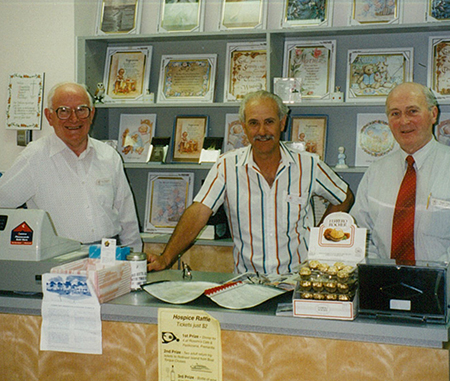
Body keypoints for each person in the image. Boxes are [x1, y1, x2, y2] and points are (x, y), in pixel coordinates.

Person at [147, 90, 354, 274]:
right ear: (244, 127)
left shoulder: (309, 164)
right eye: (254, 123)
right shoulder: (227, 166)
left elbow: (344, 196)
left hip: (299, 280)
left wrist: (320, 240)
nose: (262, 131)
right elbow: (199, 212)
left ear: (282, 123)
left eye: (269, 122)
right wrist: (166, 258)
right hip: (248, 284)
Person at [0, 82, 142, 251]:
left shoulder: (109, 156)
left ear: (92, 114)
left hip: (109, 255)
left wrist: (134, 258)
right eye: (64, 111)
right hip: (58, 261)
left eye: (81, 109)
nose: (74, 118)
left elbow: (127, 217)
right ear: (49, 116)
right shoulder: (34, 157)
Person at [351, 82, 450, 261]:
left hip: (444, 284)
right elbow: (360, 235)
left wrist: (436, 280)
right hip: (383, 283)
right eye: (395, 113)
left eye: (413, 111)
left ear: (433, 114)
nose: (404, 121)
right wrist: (379, 271)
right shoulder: (375, 172)